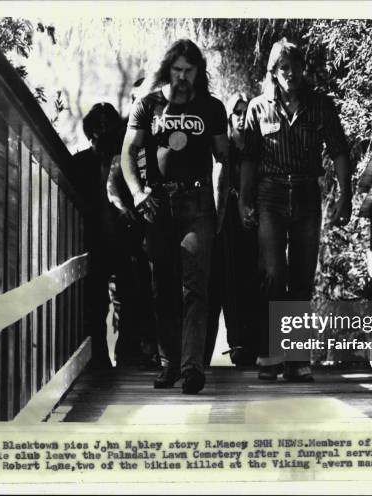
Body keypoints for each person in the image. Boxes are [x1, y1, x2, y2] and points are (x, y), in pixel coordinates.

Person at [239, 39, 353, 381]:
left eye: (295, 66)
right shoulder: (258, 108)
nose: (290, 73)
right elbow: (248, 159)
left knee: (302, 275)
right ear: (274, 72)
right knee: (273, 273)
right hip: (270, 195)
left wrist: (345, 195)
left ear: (303, 68)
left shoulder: (320, 106)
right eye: (282, 68)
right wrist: (245, 199)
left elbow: (339, 152)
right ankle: (270, 354)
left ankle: (297, 359)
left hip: (306, 193)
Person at [120, 39, 229, 394]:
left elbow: (224, 159)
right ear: (168, 69)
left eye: (189, 71)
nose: (182, 77)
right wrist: (138, 193)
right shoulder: (146, 105)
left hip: (198, 203)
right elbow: (128, 153)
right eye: (177, 70)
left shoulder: (212, 108)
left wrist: (220, 201)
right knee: (163, 287)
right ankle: (169, 363)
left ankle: (192, 368)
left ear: (199, 72)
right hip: (158, 203)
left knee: (195, 289)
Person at [106, 78, 159, 369]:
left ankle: (160, 351)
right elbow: (113, 178)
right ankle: (130, 354)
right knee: (132, 290)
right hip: (132, 226)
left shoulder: (164, 124)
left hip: (162, 222)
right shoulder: (123, 133)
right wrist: (124, 208)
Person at [69, 102, 125, 373]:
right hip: (94, 244)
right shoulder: (79, 165)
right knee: (96, 304)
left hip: (124, 242)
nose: (100, 136)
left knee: (127, 301)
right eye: (96, 131)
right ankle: (99, 360)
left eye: (107, 130)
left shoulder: (127, 161)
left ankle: (126, 358)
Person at [204, 93, 259, 367]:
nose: (241, 116)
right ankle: (236, 344)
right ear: (228, 116)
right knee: (227, 281)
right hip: (225, 222)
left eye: (246, 111)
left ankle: (263, 346)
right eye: (236, 112)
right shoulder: (221, 148)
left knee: (259, 279)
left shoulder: (260, 146)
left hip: (255, 219)